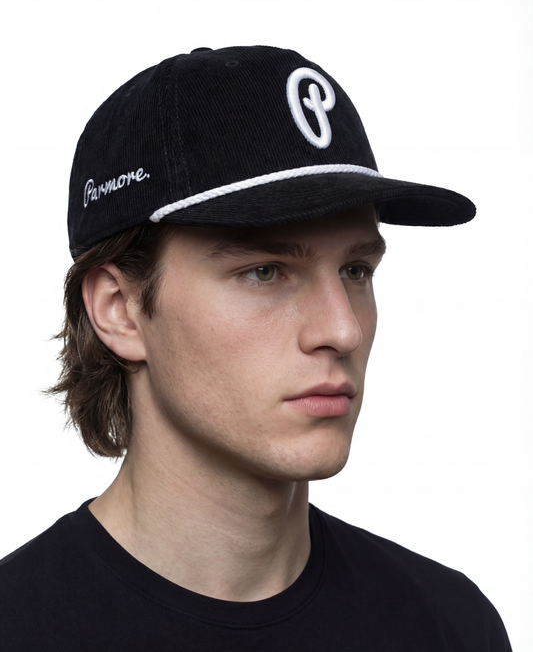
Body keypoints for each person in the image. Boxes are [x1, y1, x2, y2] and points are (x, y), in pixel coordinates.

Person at [0, 45, 512, 650]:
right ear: (120, 310)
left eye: (355, 271)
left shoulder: (451, 626)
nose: (343, 330)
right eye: (264, 272)